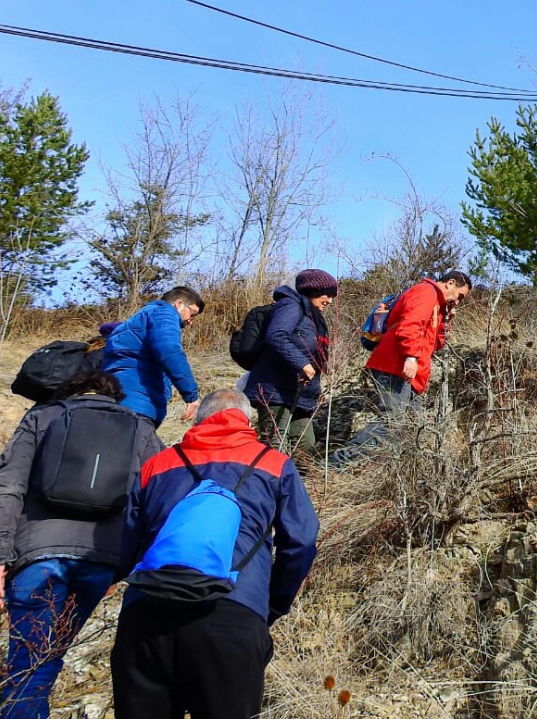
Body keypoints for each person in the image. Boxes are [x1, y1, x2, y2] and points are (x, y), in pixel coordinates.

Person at [111, 389, 319, 719]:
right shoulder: (274, 464)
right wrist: (272, 605)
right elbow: (302, 541)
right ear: (248, 421)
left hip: (147, 614)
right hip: (233, 614)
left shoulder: (157, 464)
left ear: (197, 419)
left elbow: (125, 540)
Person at [0, 371, 161, 719]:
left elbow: (7, 488)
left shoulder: (42, 418)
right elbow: (156, 498)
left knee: (28, 662)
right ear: (115, 396)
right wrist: (126, 563)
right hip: (99, 560)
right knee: (47, 655)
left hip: (37, 557)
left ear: (70, 391)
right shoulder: (140, 429)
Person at [329, 270, 472, 464]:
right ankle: (338, 464)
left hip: (410, 374)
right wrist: (411, 358)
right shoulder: (426, 292)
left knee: (411, 426)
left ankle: (389, 472)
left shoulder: (438, 305)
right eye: (460, 295)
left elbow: (436, 344)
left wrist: (447, 318)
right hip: (396, 366)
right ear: (450, 283)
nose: (458, 301)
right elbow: (410, 325)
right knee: (392, 421)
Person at [241, 269, 337, 455]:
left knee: (305, 446)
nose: (330, 301)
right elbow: (276, 335)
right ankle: (267, 482)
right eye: (327, 294)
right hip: (275, 391)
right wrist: (302, 364)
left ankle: (294, 483)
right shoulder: (290, 306)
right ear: (312, 290)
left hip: (300, 394)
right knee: (275, 448)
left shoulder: (313, 316)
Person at [101, 286, 204, 426]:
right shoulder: (164, 313)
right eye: (192, 314)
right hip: (137, 404)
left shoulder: (137, 320)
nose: (190, 321)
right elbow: (168, 350)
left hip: (114, 398)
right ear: (179, 304)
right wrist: (191, 395)